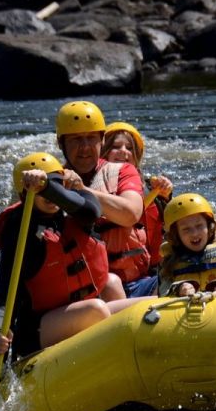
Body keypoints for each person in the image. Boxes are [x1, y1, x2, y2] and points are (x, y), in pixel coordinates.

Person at [0, 153, 138, 360]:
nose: (50, 198)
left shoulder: (76, 211)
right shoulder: (20, 230)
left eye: (56, 187)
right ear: (26, 194)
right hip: (38, 329)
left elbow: (92, 210)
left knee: (116, 285)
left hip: (79, 311)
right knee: (96, 310)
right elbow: (5, 290)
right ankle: (118, 357)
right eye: (42, 193)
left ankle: (131, 354)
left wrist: (47, 186)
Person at [55, 101, 156, 297]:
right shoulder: (52, 182)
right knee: (110, 283)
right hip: (80, 291)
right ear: (61, 144)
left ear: (101, 141)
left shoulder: (123, 171)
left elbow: (131, 214)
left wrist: (82, 190)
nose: (85, 148)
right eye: (76, 139)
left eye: (91, 138)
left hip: (134, 284)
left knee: (180, 281)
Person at [101, 121, 174, 274]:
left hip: (152, 271)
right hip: (110, 275)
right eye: (115, 147)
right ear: (103, 152)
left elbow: (173, 228)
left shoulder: (152, 189)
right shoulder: (93, 188)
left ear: (136, 157)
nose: (123, 152)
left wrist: (166, 197)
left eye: (129, 148)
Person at [158, 193, 216, 297]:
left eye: (199, 226)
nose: (194, 233)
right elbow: (163, 293)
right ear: (176, 235)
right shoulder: (168, 263)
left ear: (210, 227)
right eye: (186, 229)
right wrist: (178, 288)